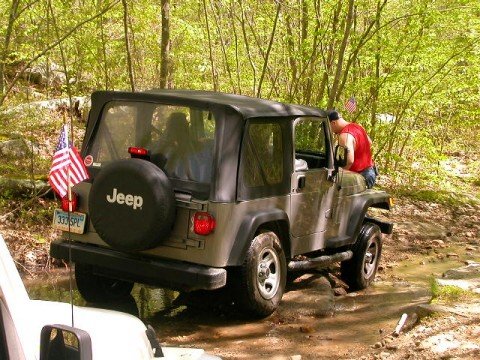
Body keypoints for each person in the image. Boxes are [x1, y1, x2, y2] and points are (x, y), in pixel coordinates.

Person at [328, 110, 377, 188]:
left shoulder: (344, 135)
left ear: (333, 123)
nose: (330, 130)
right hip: (370, 172)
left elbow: (349, 161)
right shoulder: (358, 126)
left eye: (329, 126)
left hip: (359, 177)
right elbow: (370, 142)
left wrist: (337, 175)